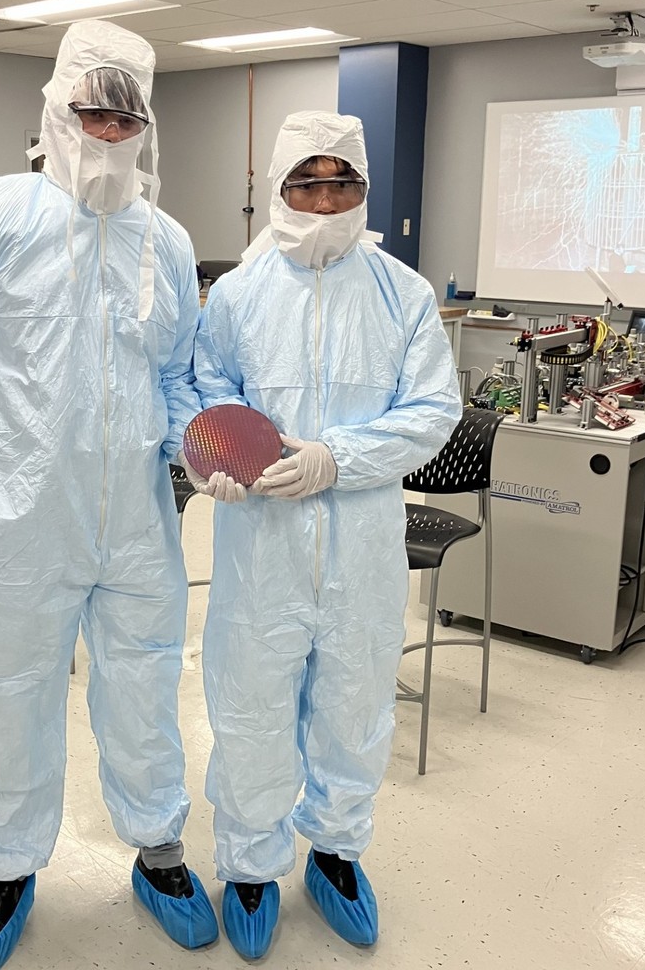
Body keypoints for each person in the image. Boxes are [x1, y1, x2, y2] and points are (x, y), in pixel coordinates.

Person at [0, 20, 218, 970]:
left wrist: (199, 441)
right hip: (24, 517)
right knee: (14, 695)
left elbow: (179, 370)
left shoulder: (168, 239)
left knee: (143, 688)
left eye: (124, 116)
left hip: (142, 518)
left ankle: (159, 852)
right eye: (91, 112)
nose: (107, 132)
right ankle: (9, 869)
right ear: (56, 112)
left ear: (145, 127)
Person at [186, 111, 462, 959]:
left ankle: (337, 855)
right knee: (252, 705)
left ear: (363, 191)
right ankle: (251, 866)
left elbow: (432, 411)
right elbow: (206, 391)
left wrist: (337, 459)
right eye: (306, 181)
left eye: (342, 181)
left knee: (353, 703)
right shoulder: (236, 293)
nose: (324, 197)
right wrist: (215, 461)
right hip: (260, 543)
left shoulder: (402, 293)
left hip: (362, 543)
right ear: (277, 188)